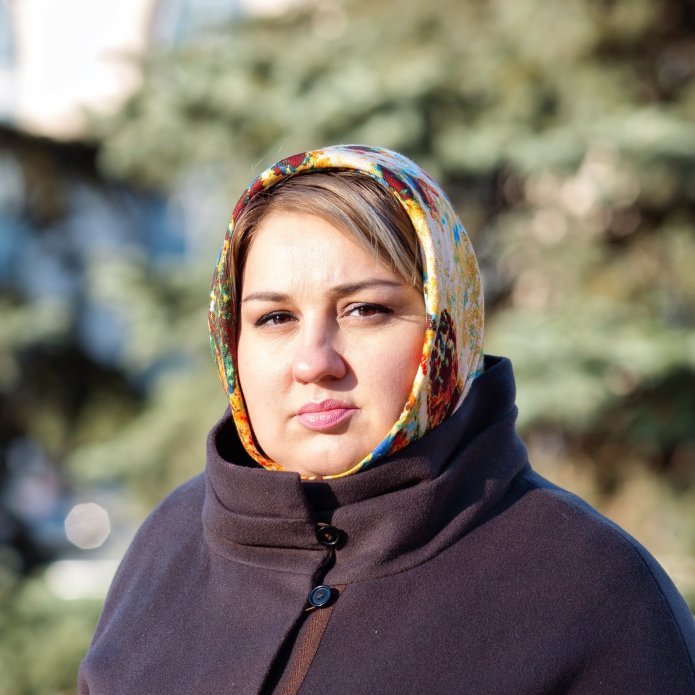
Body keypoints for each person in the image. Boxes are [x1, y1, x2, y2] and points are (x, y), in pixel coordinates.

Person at [79, 145, 695, 694]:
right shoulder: (170, 542)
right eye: (275, 318)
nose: (314, 362)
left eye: (365, 310)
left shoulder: (592, 590)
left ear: (446, 328)